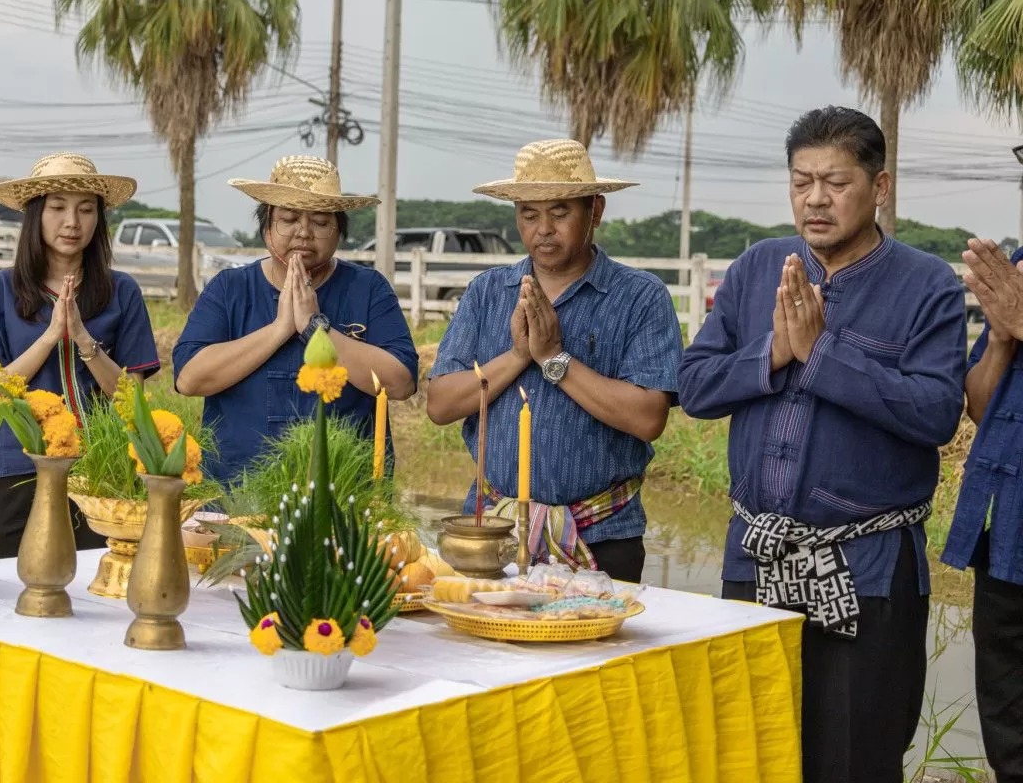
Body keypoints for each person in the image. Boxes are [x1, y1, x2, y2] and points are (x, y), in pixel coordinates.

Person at [678, 106, 967, 783]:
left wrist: (823, 354)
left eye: (835, 182)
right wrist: (775, 350)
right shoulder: (756, 269)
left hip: (865, 569)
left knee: (853, 758)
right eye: (802, 180)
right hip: (754, 559)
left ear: (880, 187)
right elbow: (694, 386)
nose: (815, 198)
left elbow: (934, 413)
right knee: (748, 749)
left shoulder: (926, 285)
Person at [427, 139, 682, 583]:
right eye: (529, 213)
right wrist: (518, 356)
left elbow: (648, 418)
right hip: (493, 532)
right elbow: (440, 404)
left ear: (595, 211)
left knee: (598, 650)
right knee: (484, 651)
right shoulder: (489, 292)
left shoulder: (639, 297)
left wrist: (555, 359)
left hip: (602, 534)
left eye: (560, 212)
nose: (543, 229)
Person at [0, 153, 161, 560]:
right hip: (14, 471)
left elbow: (132, 398)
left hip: (99, 472)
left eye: (86, 210)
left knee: (95, 594)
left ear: (98, 221)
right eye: (58, 208)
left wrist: (85, 341)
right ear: (36, 215)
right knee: (4, 595)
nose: (73, 221)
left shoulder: (122, 293)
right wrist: (51, 336)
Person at [173, 155, 418, 484]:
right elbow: (189, 379)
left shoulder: (368, 288)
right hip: (235, 492)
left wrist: (316, 327)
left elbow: (401, 384)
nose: (304, 232)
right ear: (267, 226)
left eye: (319, 222)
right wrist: (280, 329)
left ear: (338, 231)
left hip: (344, 495)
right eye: (288, 219)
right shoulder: (229, 288)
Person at [941, 238, 1023, 783]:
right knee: (1006, 716)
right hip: (1010, 532)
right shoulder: (1016, 270)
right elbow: (978, 403)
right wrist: (1000, 339)